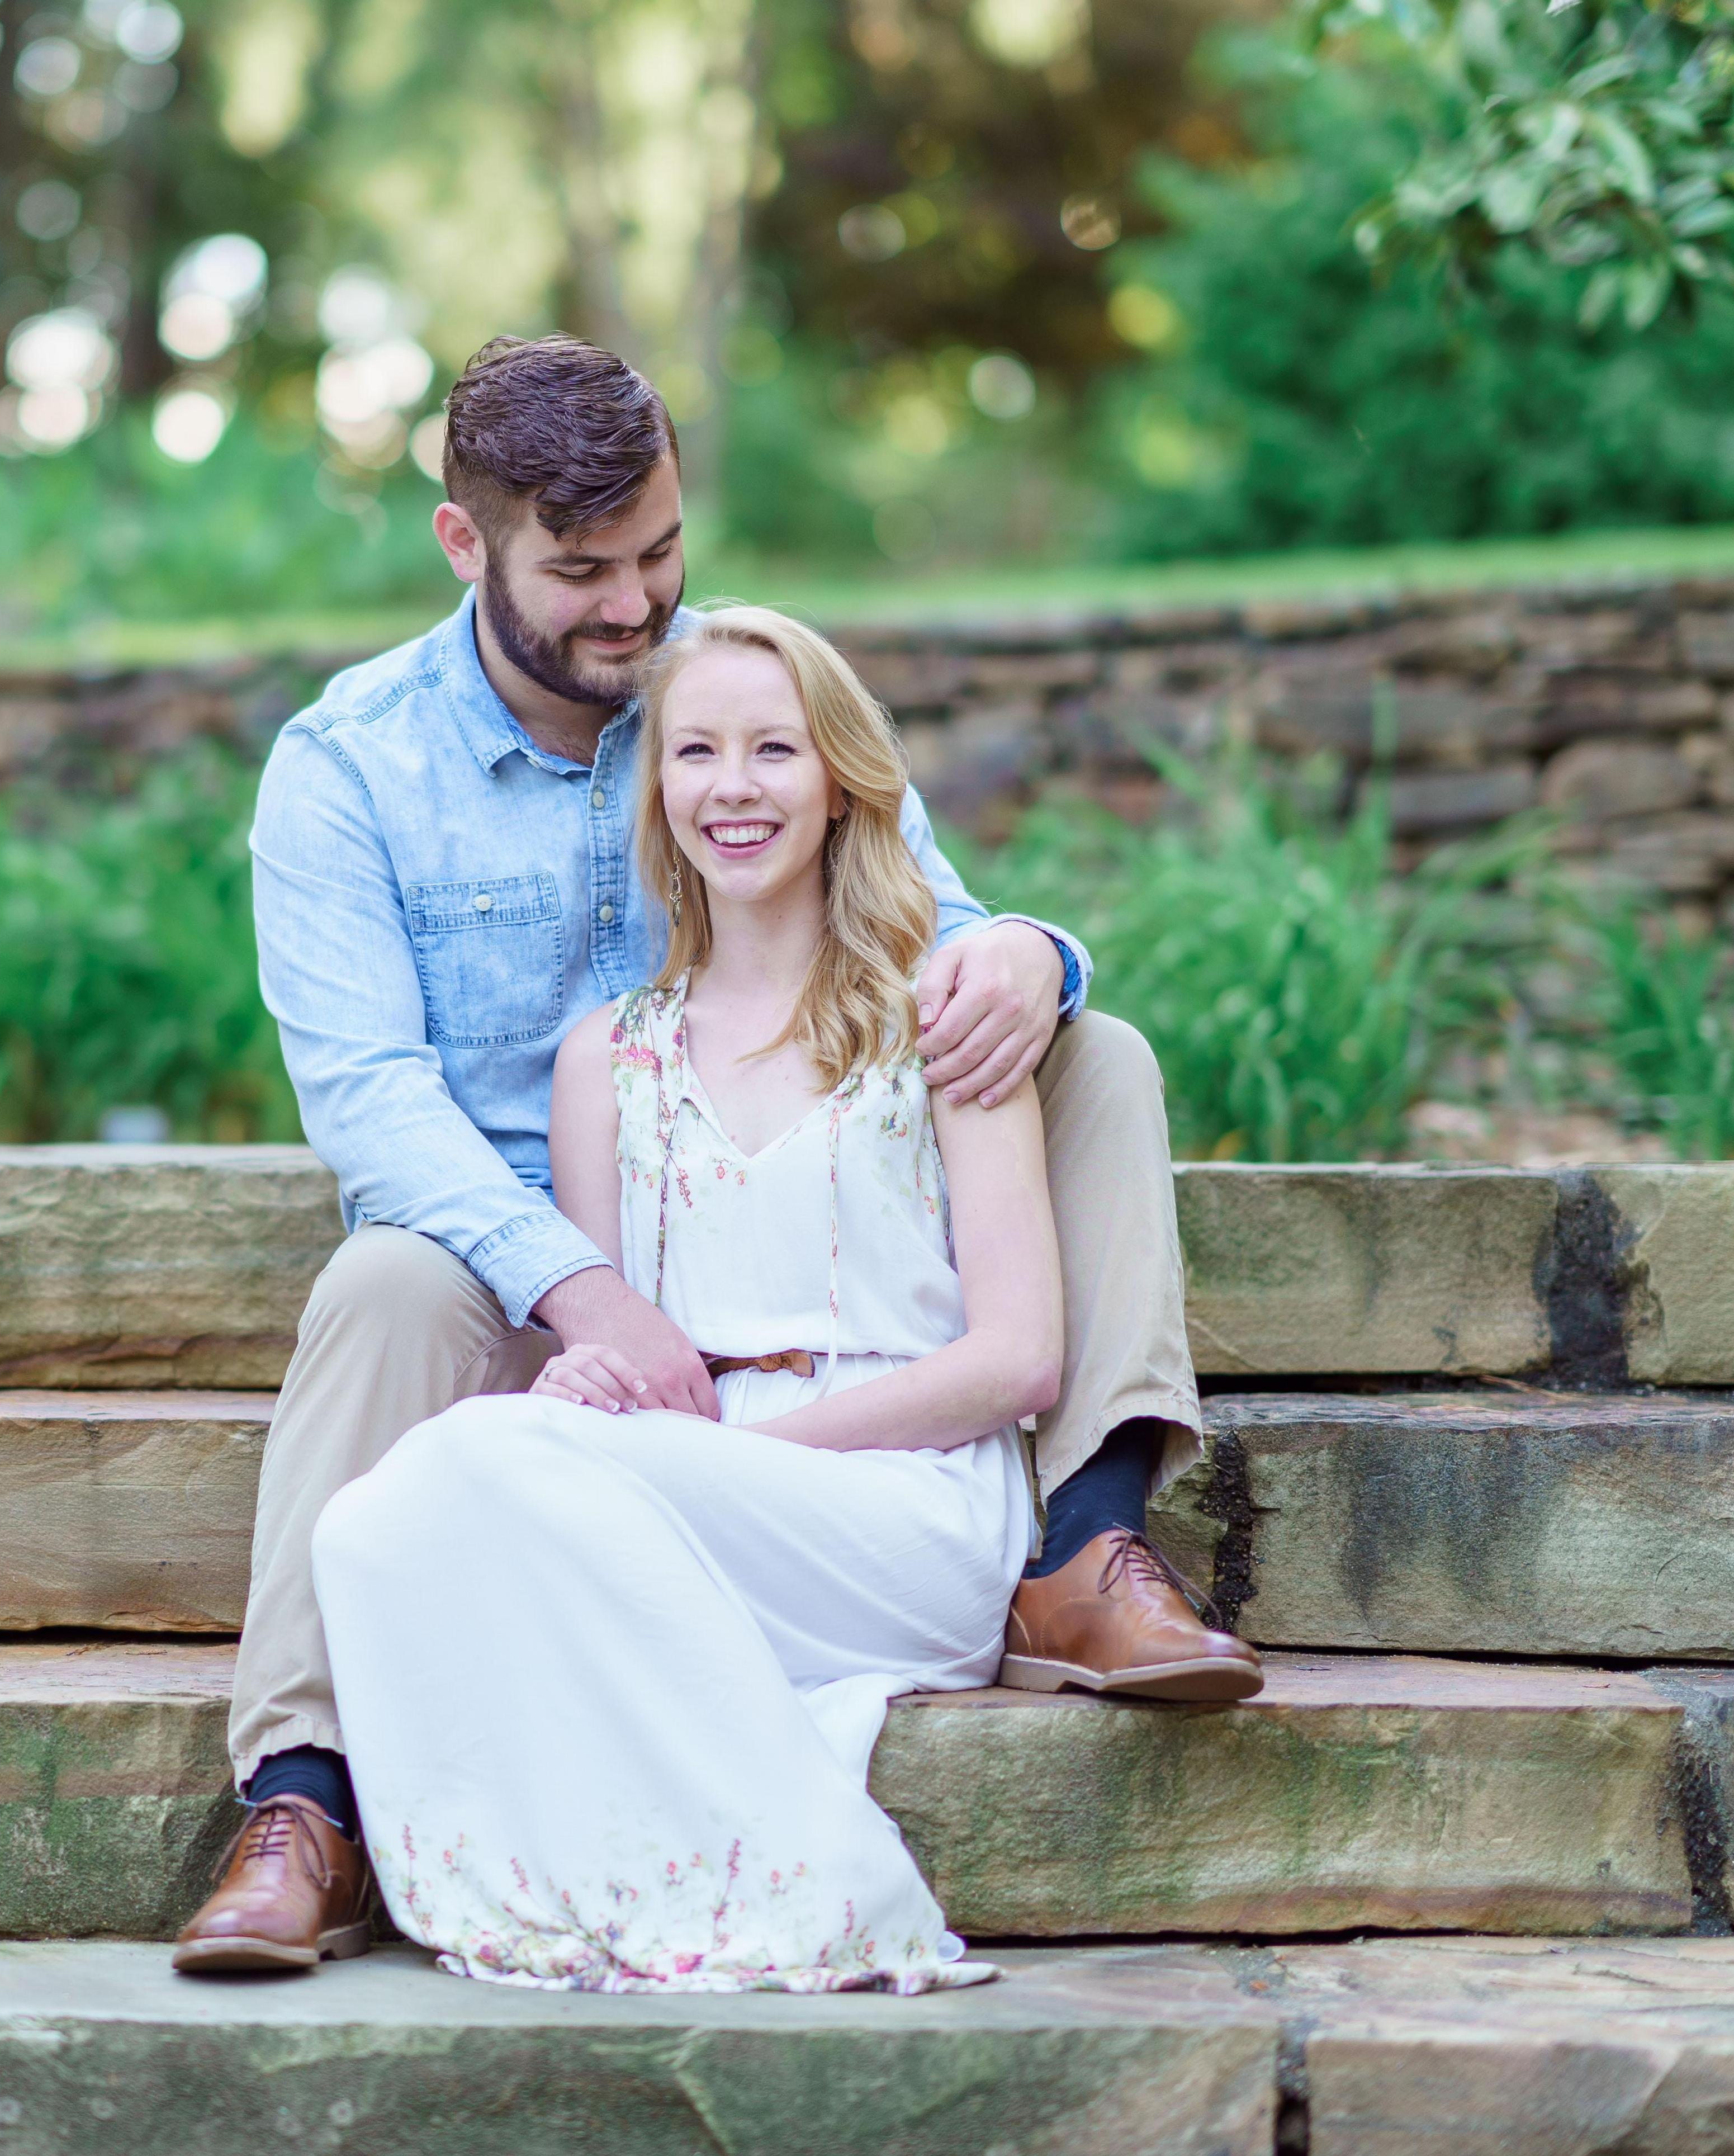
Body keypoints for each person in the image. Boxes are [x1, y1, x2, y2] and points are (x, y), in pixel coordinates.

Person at [172, 335, 1258, 1978]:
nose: (636, 606)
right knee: (383, 1279)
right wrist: (584, 1290)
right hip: (507, 1247)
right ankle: (309, 1799)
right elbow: (373, 1101)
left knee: (1083, 1049)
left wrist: (1033, 948)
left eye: (662, 553)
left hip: (792, 1240)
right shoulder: (349, 770)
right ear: (468, 547)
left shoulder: (718, 696)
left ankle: (1081, 1541)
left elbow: (918, 913)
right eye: (584, 571)